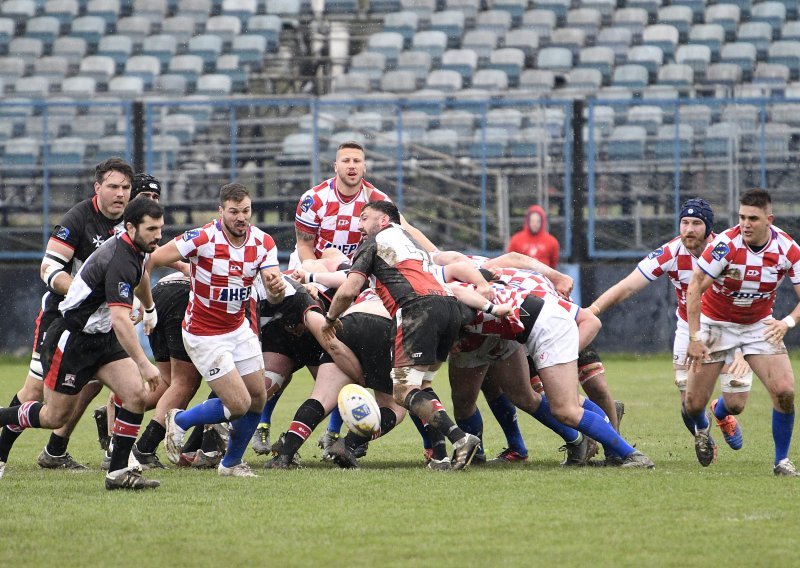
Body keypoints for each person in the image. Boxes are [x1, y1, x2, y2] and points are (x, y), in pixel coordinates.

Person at [0, 197, 165, 489]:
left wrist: (149, 309)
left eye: (160, 228)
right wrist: (144, 364)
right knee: (53, 416)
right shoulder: (119, 258)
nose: (159, 235)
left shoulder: (138, 248)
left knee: (136, 395)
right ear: (130, 227)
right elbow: (120, 320)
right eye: (152, 229)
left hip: (100, 340)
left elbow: (141, 279)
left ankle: (116, 475)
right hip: (72, 339)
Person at [287, 140, 436, 457]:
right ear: (335, 166)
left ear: (365, 167)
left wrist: (433, 256)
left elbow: (407, 231)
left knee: (332, 377)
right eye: (346, 160)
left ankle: (429, 445)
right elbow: (303, 246)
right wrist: (312, 276)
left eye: (357, 160)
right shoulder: (313, 200)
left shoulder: (379, 201)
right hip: (323, 280)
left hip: (356, 285)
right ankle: (264, 426)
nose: (352, 165)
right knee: (282, 353)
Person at [321, 200, 484, 471]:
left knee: (402, 391)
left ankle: (461, 438)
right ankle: (441, 454)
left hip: (416, 310)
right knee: (421, 388)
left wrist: (329, 319)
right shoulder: (413, 242)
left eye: (364, 218)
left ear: (383, 221)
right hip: (447, 308)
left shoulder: (374, 243)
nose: (359, 225)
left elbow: (349, 290)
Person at [587, 198, 752, 448]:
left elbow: (748, 293)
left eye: (696, 223)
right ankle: (704, 435)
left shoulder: (727, 249)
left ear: (708, 228)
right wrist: (593, 309)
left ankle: (720, 412)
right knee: (689, 405)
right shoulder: (672, 252)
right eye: (684, 222)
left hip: (727, 327)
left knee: (737, 403)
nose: (688, 229)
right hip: (689, 327)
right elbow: (629, 286)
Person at [152, 182, 286, 478]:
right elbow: (154, 258)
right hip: (203, 333)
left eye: (246, 211)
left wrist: (275, 288)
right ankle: (181, 420)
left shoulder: (263, 242)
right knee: (238, 404)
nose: (241, 217)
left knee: (258, 398)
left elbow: (273, 289)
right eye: (234, 211)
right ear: (221, 211)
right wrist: (143, 299)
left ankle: (231, 464)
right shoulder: (202, 237)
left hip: (238, 329)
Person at [685, 189, 800, 476]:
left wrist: (787, 322)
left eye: (753, 218)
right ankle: (703, 428)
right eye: (741, 217)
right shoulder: (725, 245)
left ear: (769, 220)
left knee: (785, 391)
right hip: (715, 324)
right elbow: (695, 286)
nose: (745, 224)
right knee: (692, 404)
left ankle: (782, 461)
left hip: (759, 325)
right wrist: (695, 337)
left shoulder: (787, 249)